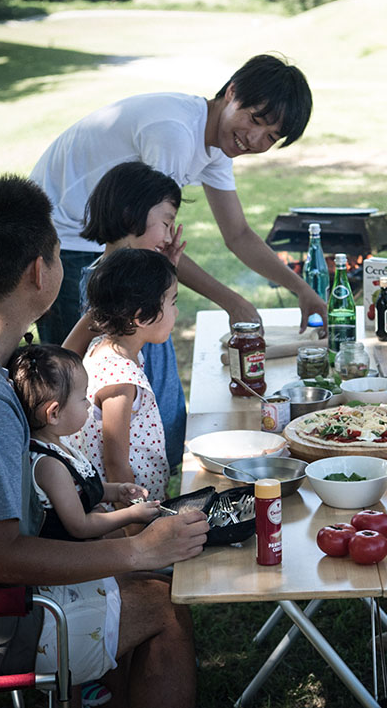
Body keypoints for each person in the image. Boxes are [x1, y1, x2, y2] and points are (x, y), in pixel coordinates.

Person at [0, 176, 207, 705]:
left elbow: (54, 371)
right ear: (40, 270)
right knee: (165, 606)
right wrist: (135, 551)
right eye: (58, 253)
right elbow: (1, 560)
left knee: (152, 590)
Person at [31, 53, 323, 345]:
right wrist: (233, 302)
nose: (255, 140)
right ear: (232, 92)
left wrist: (301, 289)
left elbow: (238, 234)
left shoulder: (218, 143)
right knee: (71, 371)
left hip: (105, 237)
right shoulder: (175, 133)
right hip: (63, 238)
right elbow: (153, 240)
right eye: (255, 119)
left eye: (271, 138)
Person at [9, 343, 163, 707]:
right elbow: (79, 525)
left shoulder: (61, 446)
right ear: (54, 412)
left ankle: (102, 684)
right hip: (67, 583)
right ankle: (80, 687)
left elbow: (86, 490)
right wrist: (132, 514)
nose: (89, 404)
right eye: (82, 398)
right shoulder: (48, 465)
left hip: (80, 566)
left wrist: (116, 489)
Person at [63, 161, 189, 471]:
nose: (170, 233)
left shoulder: (142, 277)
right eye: (166, 222)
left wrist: (165, 272)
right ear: (130, 214)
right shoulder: (104, 282)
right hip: (131, 429)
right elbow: (77, 347)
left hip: (153, 424)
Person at [75, 248, 178, 503]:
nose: (176, 312)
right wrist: (136, 531)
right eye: (173, 302)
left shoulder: (104, 346)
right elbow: (116, 465)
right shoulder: (120, 379)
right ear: (142, 315)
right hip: (123, 519)